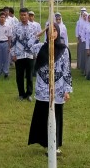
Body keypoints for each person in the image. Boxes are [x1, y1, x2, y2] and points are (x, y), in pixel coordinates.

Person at [28, 24, 73, 153]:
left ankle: (55, 144)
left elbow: (66, 70)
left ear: (58, 33)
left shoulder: (64, 50)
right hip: (43, 88)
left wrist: (67, 90)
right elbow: (28, 46)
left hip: (58, 89)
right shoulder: (40, 48)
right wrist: (40, 33)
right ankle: (45, 142)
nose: (52, 33)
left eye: (54, 30)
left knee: (56, 117)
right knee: (43, 116)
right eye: (49, 31)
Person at [11, 8, 39, 101]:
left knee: (30, 75)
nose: (23, 17)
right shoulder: (15, 27)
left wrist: (35, 53)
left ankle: (29, 94)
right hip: (19, 55)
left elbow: (36, 40)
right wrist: (13, 54)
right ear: (19, 16)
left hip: (30, 55)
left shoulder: (33, 26)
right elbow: (12, 41)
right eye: (21, 15)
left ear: (28, 15)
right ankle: (21, 94)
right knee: (19, 76)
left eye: (25, 15)